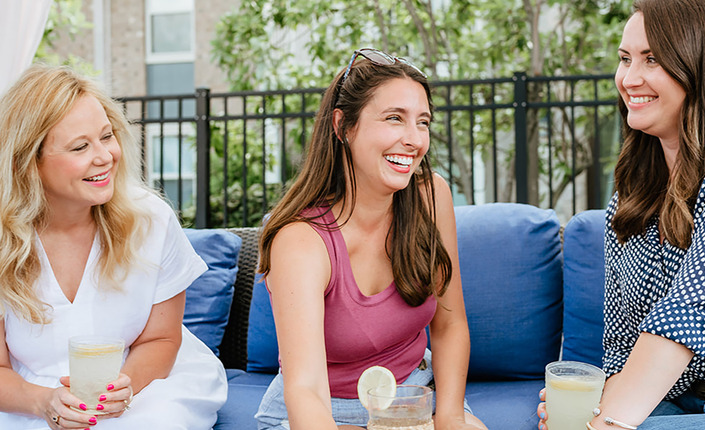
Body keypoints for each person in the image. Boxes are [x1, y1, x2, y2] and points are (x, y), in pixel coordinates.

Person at [537, 0, 705, 429]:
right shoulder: (632, 187)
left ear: (700, 66)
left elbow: (696, 306)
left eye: (652, 59)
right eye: (625, 59)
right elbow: (622, 340)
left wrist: (605, 421)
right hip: (673, 402)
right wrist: (591, 399)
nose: (629, 78)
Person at [254, 48, 488, 430]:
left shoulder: (432, 197)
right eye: (394, 118)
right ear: (343, 126)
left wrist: (449, 418)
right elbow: (306, 392)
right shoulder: (300, 240)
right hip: (321, 413)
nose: (414, 140)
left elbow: (450, 325)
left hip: (414, 396)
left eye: (423, 122)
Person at [0, 64, 227, 430]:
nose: (105, 156)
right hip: (29, 397)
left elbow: (162, 337)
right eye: (80, 146)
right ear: (29, 163)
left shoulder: (150, 219)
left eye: (107, 136)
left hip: (145, 385)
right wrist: (44, 403)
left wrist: (120, 392)